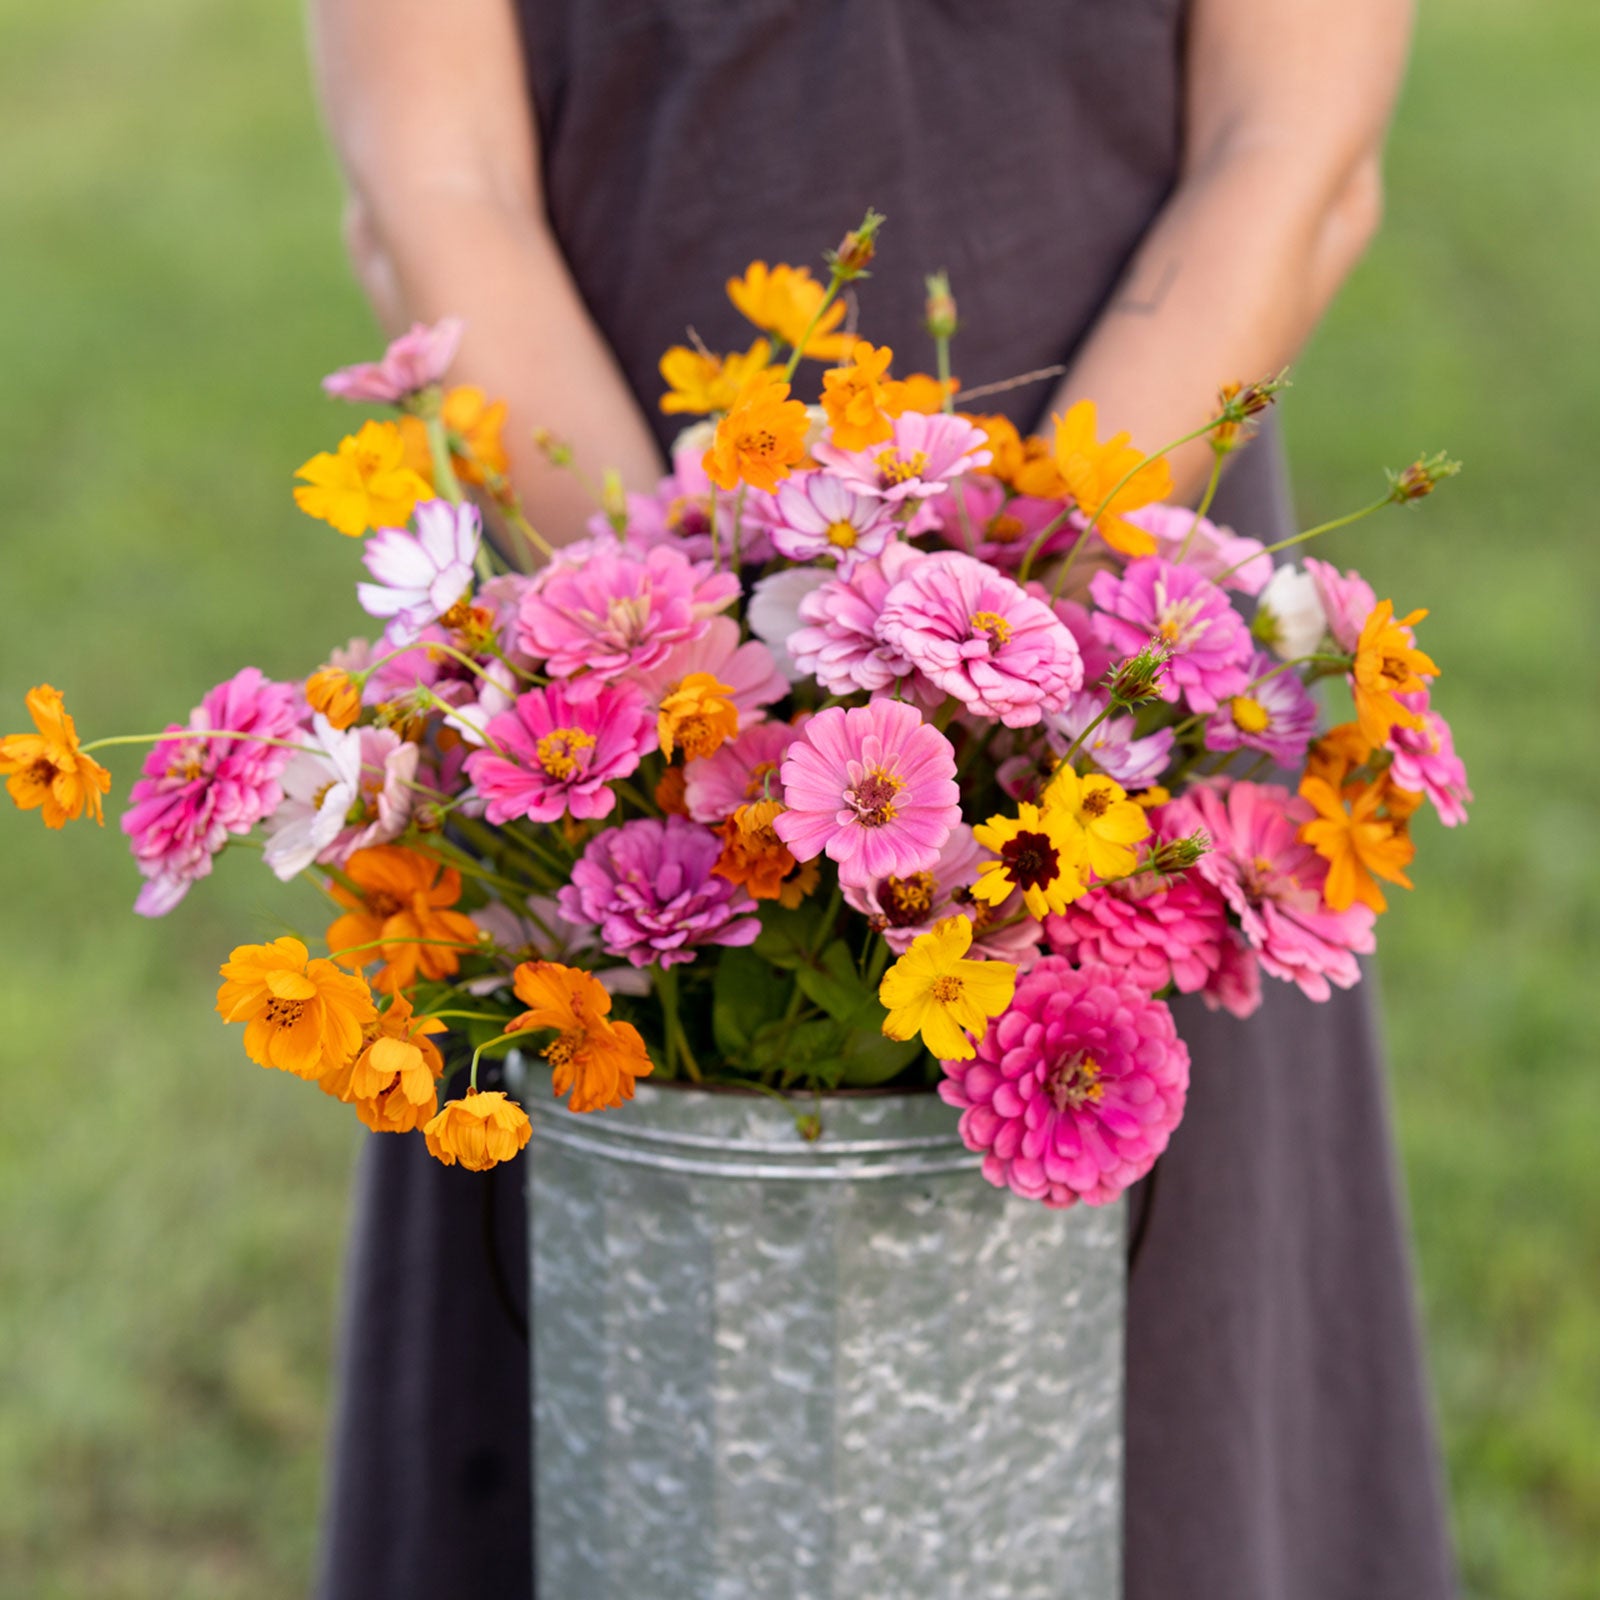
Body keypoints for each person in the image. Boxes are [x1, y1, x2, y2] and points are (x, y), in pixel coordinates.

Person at [308, 2, 1456, 1596]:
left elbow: (1293, 154)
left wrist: (1012, 663)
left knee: (1152, 1368)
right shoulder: (647, 681)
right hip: (625, 618)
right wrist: (668, 672)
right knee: (639, 1390)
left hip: (1128, 599)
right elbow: (435, 190)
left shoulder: (1080, 637)